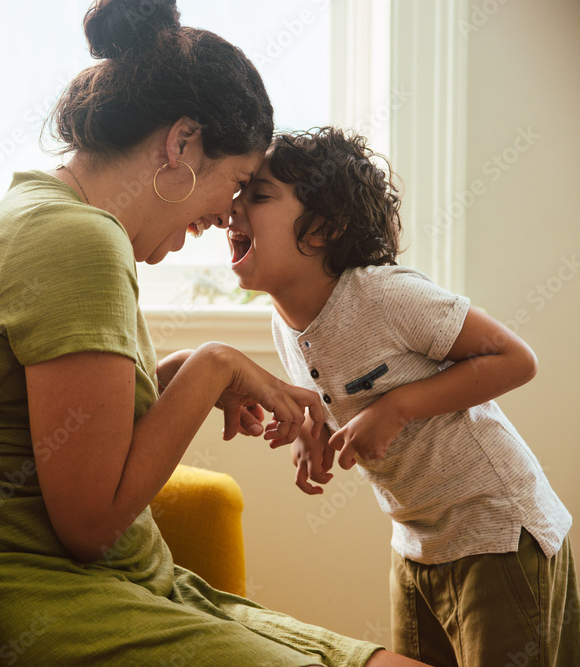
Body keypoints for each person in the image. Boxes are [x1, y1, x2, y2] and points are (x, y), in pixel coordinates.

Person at [0, 1, 427, 665]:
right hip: (30, 587)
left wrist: (193, 378)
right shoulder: (77, 240)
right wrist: (214, 365)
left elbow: (73, 429)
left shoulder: (44, 211)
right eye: (236, 182)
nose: (225, 216)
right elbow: (90, 522)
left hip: (113, 581)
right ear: (181, 144)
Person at [227, 125, 578, 666]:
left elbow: (516, 359)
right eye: (236, 195)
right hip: (417, 542)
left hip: (495, 532)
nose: (233, 210)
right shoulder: (285, 320)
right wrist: (312, 429)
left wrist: (397, 407)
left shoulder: (385, 295)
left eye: (259, 197)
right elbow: (339, 388)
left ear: (321, 228)